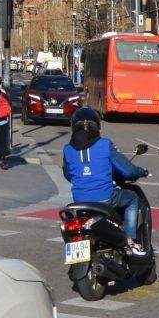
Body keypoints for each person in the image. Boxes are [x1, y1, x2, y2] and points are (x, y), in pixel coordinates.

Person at [61, 107, 146, 255]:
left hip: (79, 202)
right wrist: (141, 171)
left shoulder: (68, 149)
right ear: (97, 126)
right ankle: (130, 241)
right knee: (133, 199)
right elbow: (128, 171)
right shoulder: (105, 144)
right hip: (105, 198)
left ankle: (78, 255)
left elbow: (69, 175)